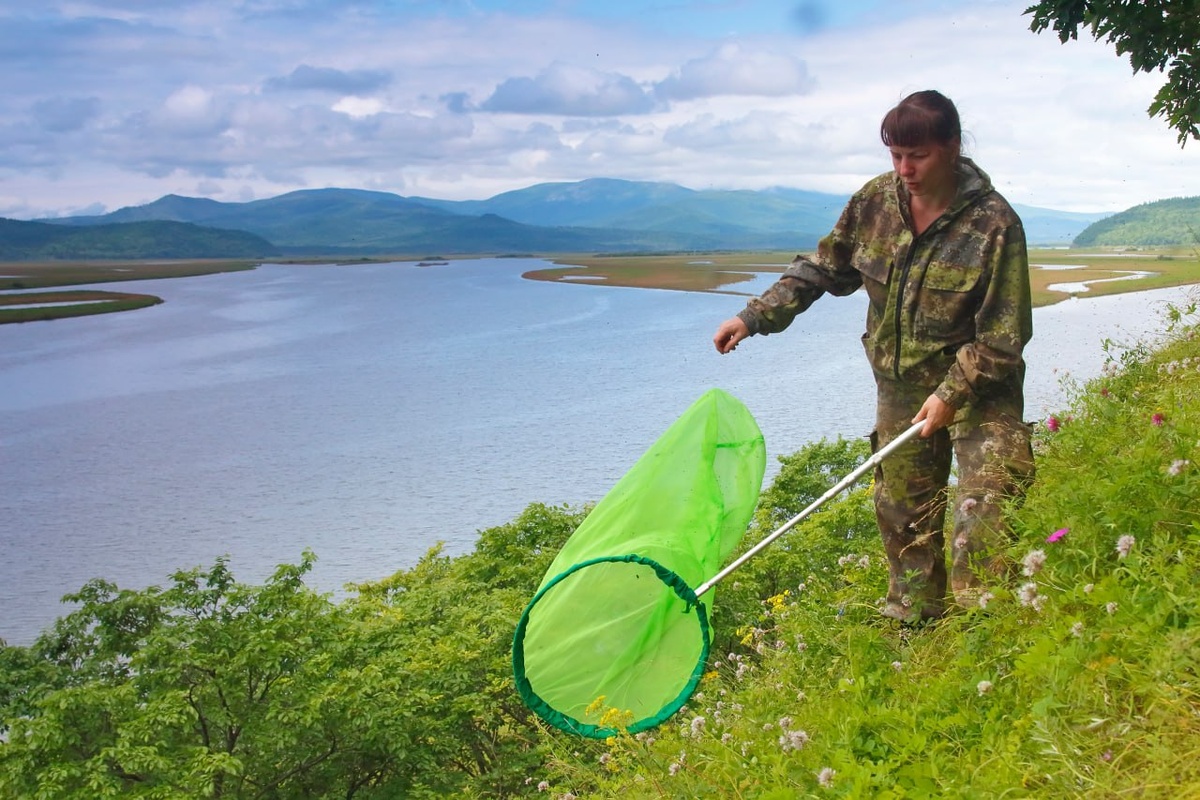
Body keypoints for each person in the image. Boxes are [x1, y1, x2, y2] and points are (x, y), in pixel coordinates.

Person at [712, 89, 1035, 623]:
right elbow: (823, 268)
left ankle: (987, 629)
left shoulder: (995, 224)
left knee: (986, 508)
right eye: (896, 155)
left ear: (952, 147)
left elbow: (1003, 338)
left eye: (919, 156)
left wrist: (951, 394)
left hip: (981, 392)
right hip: (902, 387)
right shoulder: (875, 203)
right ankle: (916, 629)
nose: (905, 170)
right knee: (904, 516)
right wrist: (753, 316)